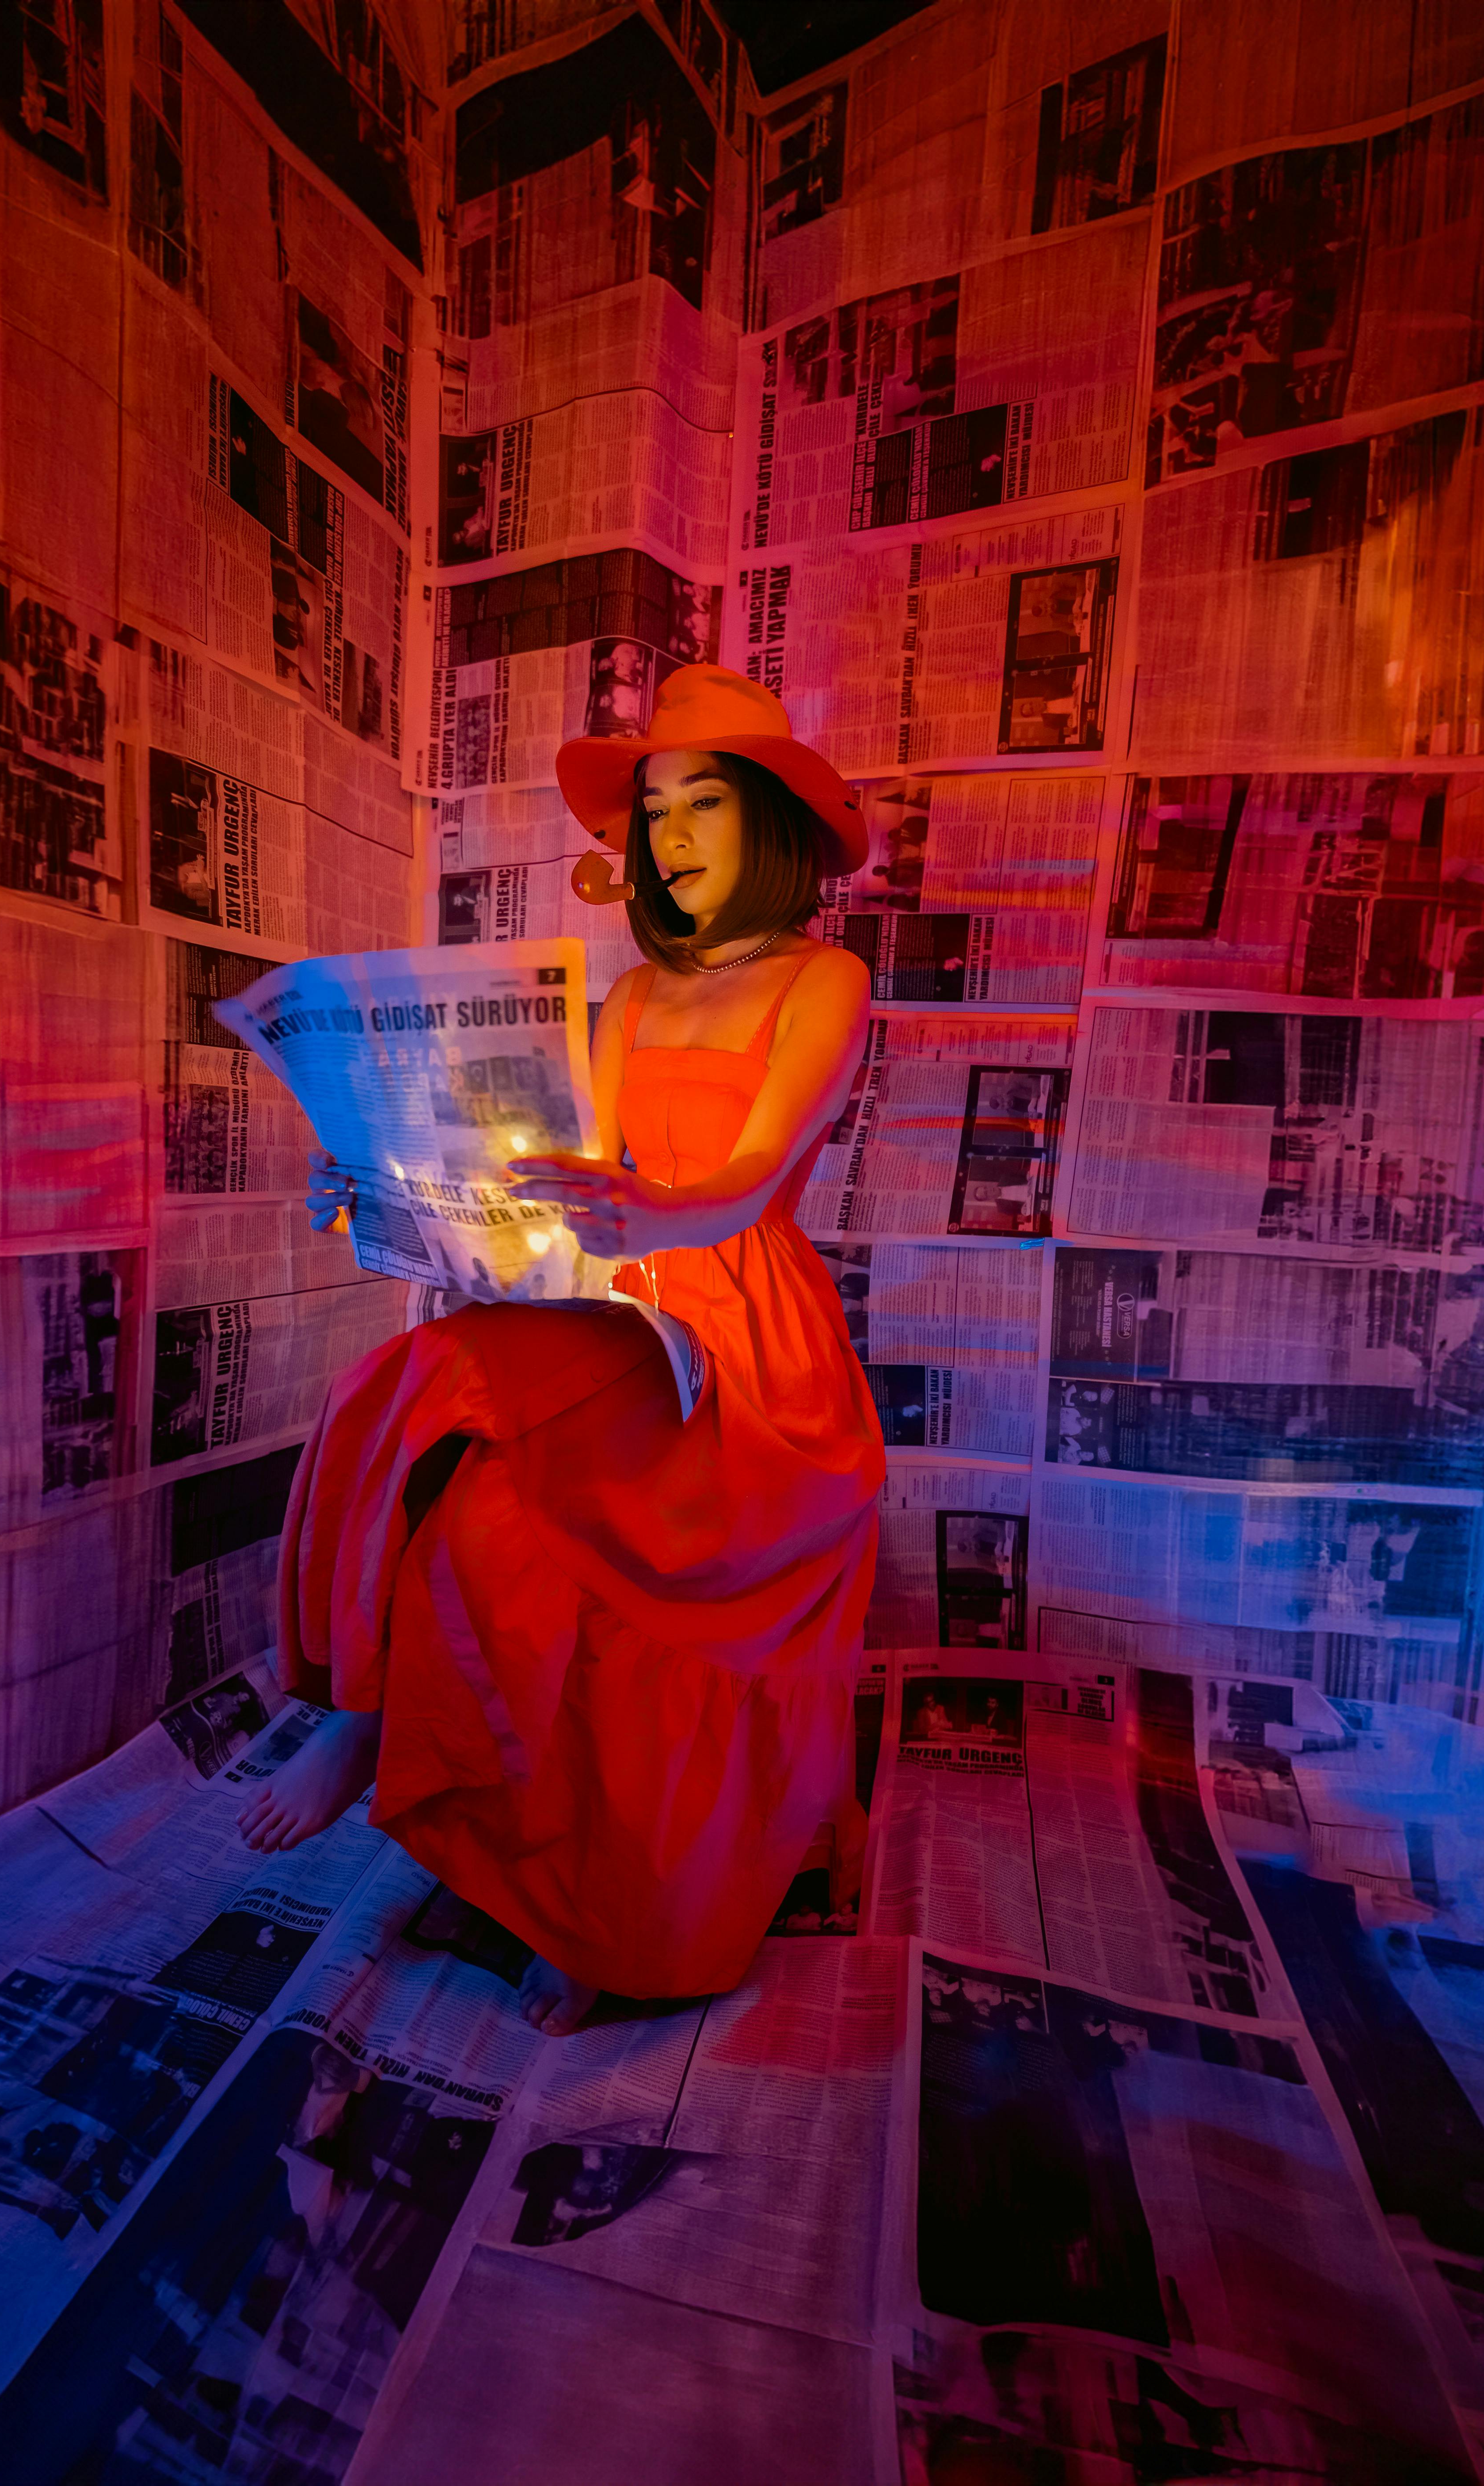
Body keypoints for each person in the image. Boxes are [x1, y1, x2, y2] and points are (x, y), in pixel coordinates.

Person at [236, 664, 886, 2035]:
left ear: (770, 823)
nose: (673, 837)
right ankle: (379, 1725)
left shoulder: (827, 975)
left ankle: (612, 1914)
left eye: (703, 803)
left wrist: (661, 1204)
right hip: (607, 1296)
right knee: (439, 1415)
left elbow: (755, 1177)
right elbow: (551, 1170)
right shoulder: (637, 994)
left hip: (737, 1341)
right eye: (654, 813)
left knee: (500, 1437)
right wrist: (388, 1191)